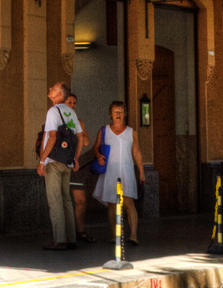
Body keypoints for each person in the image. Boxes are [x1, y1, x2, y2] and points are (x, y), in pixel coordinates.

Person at [37, 81, 82, 250]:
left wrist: (42, 160)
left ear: (59, 95)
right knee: (66, 200)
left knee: (55, 201)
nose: (50, 89)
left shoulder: (53, 111)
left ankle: (59, 240)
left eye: (53, 89)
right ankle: (71, 239)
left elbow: (52, 137)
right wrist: (75, 159)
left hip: (54, 161)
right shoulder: (70, 112)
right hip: (67, 162)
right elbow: (79, 137)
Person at [94, 101, 144, 247]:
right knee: (111, 204)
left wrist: (141, 171)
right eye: (115, 112)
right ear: (110, 114)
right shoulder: (103, 130)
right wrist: (98, 156)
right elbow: (95, 148)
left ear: (125, 114)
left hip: (126, 171)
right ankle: (115, 234)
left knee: (128, 203)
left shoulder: (131, 132)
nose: (118, 114)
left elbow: (136, 152)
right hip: (110, 172)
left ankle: (133, 235)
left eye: (121, 112)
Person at [65, 93, 95, 243]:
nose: (72, 105)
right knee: (64, 201)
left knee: (80, 200)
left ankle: (80, 232)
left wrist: (81, 134)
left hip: (76, 167)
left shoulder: (78, 122)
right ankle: (65, 234)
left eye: (74, 103)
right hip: (62, 166)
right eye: (69, 102)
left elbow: (87, 142)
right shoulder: (57, 120)